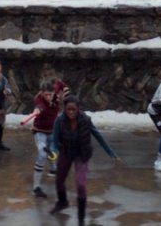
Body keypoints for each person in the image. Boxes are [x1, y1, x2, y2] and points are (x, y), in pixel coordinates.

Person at [47, 95, 121, 224]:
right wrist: (53, 150)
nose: (70, 112)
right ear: (64, 108)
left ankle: (81, 218)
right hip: (65, 152)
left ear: (78, 109)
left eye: (73, 109)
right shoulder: (60, 120)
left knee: (81, 185)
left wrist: (112, 153)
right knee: (59, 179)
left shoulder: (86, 120)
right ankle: (62, 202)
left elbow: (98, 136)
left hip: (82, 154)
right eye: (68, 109)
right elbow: (54, 138)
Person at [20, 82, 61, 198]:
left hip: (52, 130)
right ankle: (36, 188)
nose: (47, 97)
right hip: (39, 131)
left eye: (50, 94)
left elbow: (59, 84)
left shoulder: (56, 97)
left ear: (53, 93)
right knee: (43, 154)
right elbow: (39, 106)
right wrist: (38, 110)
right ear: (42, 94)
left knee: (52, 151)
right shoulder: (39, 101)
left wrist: (65, 88)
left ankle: (53, 170)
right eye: (45, 95)